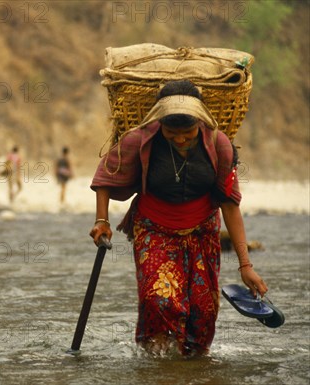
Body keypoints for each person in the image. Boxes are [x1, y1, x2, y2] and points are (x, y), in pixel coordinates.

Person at [89, 79, 268, 356]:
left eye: (188, 132)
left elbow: (230, 205)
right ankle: (158, 360)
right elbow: (106, 177)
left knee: (203, 312)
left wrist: (246, 265)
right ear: (160, 124)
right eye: (172, 132)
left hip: (203, 232)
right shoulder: (141, 139)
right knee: (160, 299)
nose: (181, 138)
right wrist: (102, 221)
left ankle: (193, 364)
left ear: (201, 123)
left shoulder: (219, 145)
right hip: (154, 229)